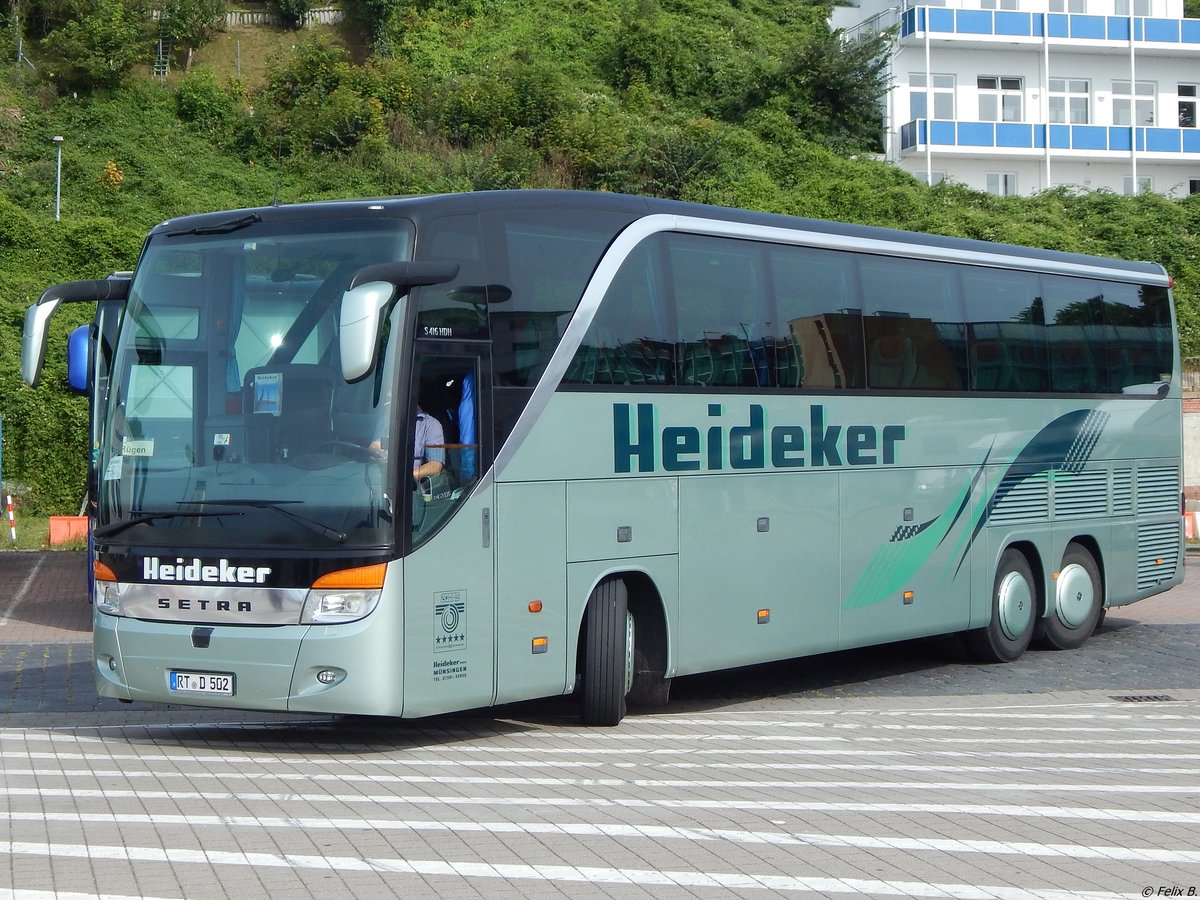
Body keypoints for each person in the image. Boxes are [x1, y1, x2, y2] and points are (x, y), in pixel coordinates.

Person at [370, 405, 445, 484]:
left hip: (410, 487)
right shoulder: (385, 421)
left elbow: (435, 465)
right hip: (379, 479)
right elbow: (375, 446)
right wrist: (375, 451)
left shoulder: (431, 425)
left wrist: (407, 477)